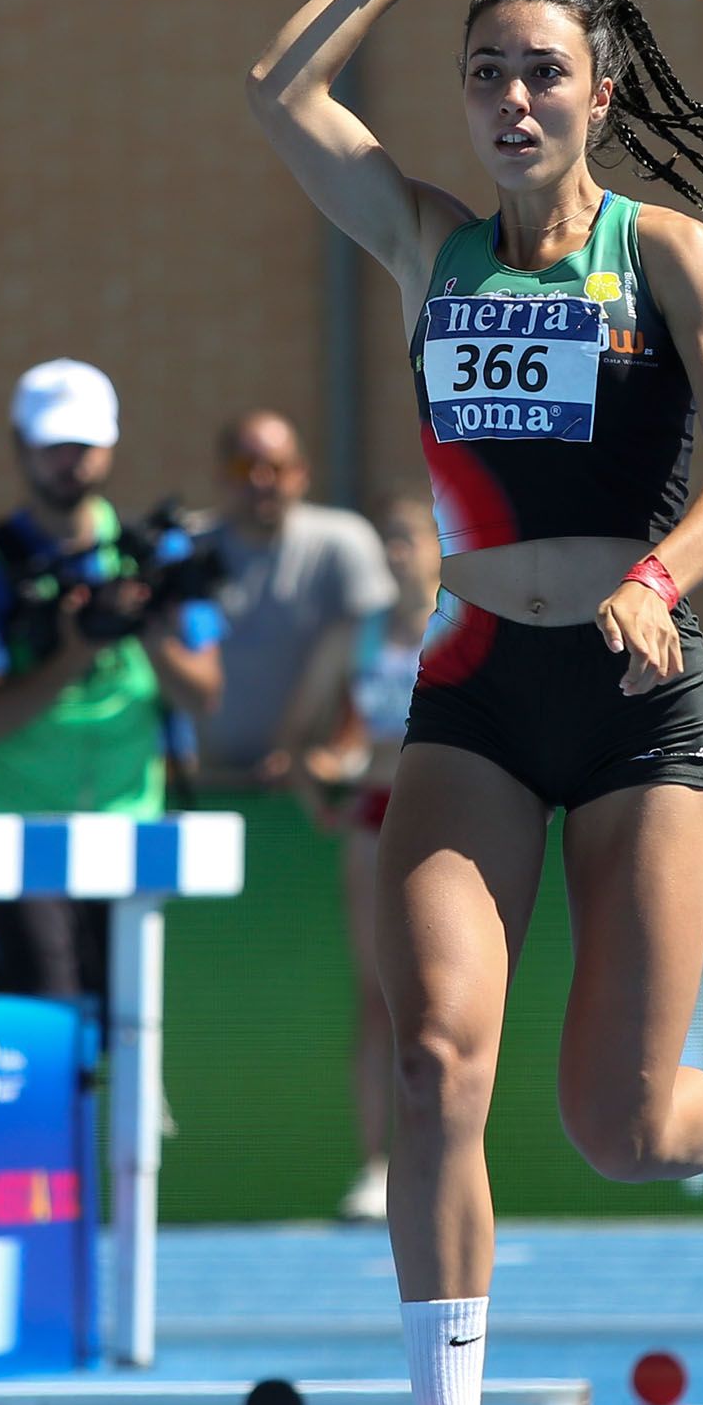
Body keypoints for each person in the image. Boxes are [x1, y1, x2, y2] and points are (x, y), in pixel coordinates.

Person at [246, 0, 703, 1405]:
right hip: (472, 692)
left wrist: (661, 573)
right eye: (483, 71)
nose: (509, 101)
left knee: (611, 1122)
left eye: (539, 73)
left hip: (640, 696)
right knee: (436, 1057)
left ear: (594, 93)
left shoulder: (658, 252)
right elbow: (278, 93)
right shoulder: (423, 241)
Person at [0, 359, 224, 1031]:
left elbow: (203, 694)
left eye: (82, 446)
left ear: (110, 446)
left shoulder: (154, 557)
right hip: (15, 829)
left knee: (123, 1021)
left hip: (129, 822)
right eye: (52, 444)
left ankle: (114, 1140)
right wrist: (75, 650)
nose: (69, 463)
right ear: (20, 446)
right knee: (44, 1019)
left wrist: (142, 624)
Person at [299, 489, 442, 1224]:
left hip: (449, 821)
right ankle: (373, 1165)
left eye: (407, 539)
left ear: (438, 546)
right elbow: (311, 737)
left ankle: (445, 1162)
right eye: (385, 540)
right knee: (376, 996)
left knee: (443, 1002)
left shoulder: (465, 627)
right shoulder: (354, 638)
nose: (395, 554)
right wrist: (322, 778)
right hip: (374, 820)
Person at [194, 410, 396, 785]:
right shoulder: (187, 550)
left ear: (302, 473)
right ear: (220, 474)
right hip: (208, 781)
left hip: (314, 786)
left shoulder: (341, 543)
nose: (261, 481)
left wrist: (340, 752)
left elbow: (378, 657)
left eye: (277, 467)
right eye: (244, 468)